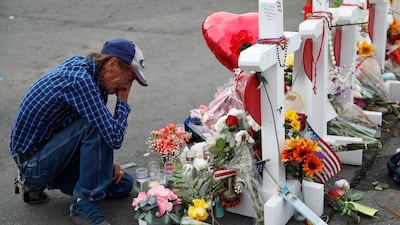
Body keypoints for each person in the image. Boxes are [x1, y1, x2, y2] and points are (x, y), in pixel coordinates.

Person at [10, 38, 148, 225]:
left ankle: (36, 186)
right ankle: (83, 203)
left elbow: (93, 131)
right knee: (94, 127)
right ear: (112, 64)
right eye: (129, 78)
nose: (126, 86)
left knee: (122, 184)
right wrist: (122, 101)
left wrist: (104, 163)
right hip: (34, 163)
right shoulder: (80, 81)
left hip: (53, 151)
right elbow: (113, 137)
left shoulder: (93, 74)